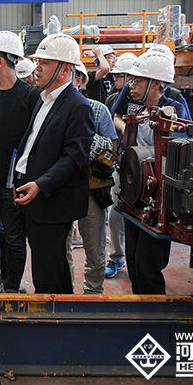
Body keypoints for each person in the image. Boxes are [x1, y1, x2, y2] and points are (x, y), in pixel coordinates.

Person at [13, 33, 95, 294]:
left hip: (51, 201)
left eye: (45, 63)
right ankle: (63, 310)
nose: (37, 68)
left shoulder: (78, 106)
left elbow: (74, 157)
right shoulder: (43, 99)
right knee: (52, 266)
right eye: (38, 62)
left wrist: (40, 184)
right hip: (32, 194)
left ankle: (51, 314)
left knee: (47, 273)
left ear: (65, 69)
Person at [0, 31, 39, 293]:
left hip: (14, 182)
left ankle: (12, 286)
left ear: (1, 60)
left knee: (14, 237)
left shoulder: (30, 97)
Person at [121, 51, 183, 294]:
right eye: (131, 80)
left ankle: (154, 312)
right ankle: (139, 308)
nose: (131, 85)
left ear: (156, 83)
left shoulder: (174, 111)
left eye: (137, 81)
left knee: (147, 266)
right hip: (135, 196)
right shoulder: (138, 111)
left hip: (158, 203)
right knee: (133, 260)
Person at [68, 61, 117, 294]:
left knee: (95, 249)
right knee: (60, 249)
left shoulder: (98, 110)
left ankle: (93, 294)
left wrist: (87, 145)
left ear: (78, 80)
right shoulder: (48, 108)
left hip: (91, 190)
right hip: (61, 190)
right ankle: (65, 293)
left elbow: (111, 151)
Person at [104, 52, 136, 279]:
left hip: (146, 167)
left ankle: (136, 260)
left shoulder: (170, 99)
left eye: (119, 76)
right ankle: (116, 257)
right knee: (115, 212)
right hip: (121, 163)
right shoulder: (116, 99)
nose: (116, 79)